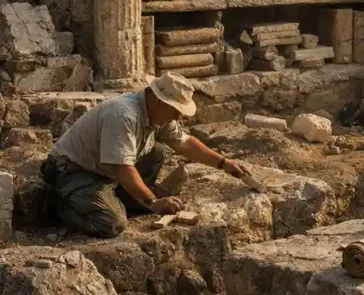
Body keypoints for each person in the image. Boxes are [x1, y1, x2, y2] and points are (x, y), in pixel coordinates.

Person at [41, 73, 252, 238]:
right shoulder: (123, 115)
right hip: (74, 171)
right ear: (161, 101)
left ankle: (125, 197)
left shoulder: (157, 114)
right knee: (112, 224)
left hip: (105, 170)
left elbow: (185, 143)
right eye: (177, 110)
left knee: (156, 151)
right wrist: (153, 202)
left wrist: (224, 163)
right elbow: (122, 168)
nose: (179, 117)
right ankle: (61, 204)